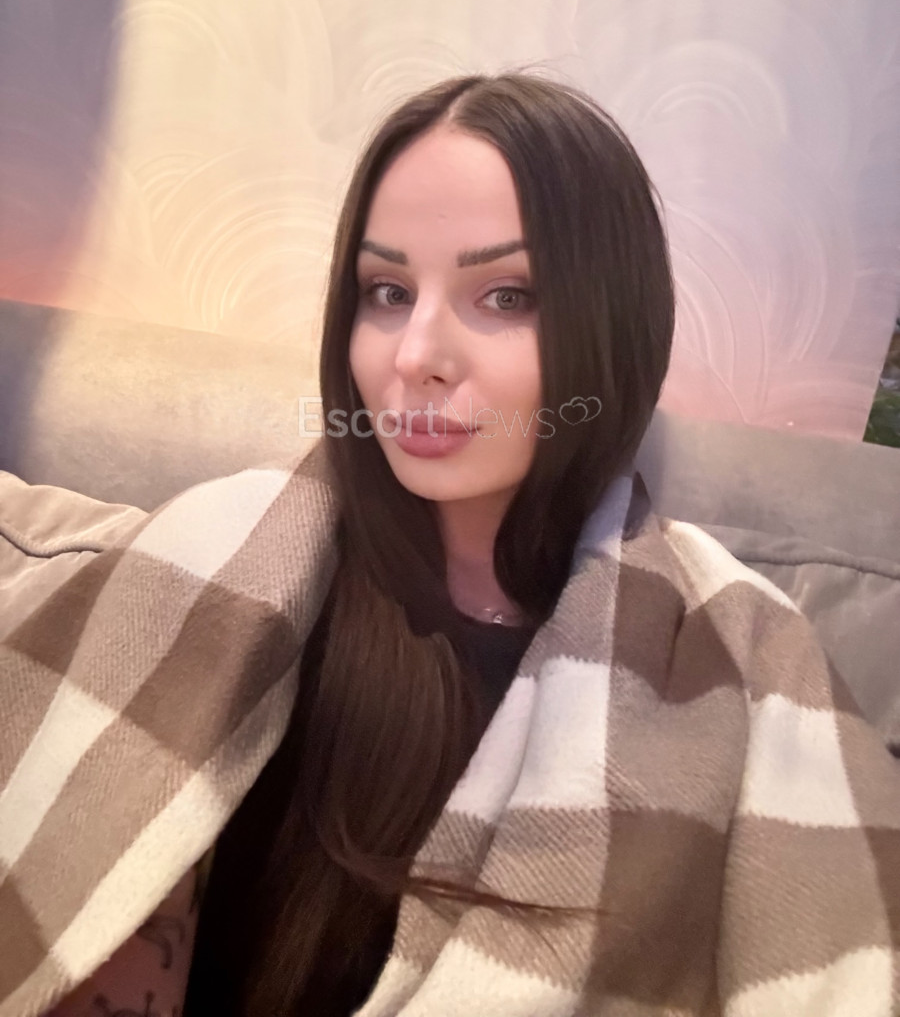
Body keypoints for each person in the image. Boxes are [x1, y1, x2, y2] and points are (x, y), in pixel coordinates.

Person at [17, 72, 900, 1017]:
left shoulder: (736, 658)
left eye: (507, 296)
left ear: (613, 324)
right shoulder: (223, 564)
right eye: (388, 291)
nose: (415, 355)